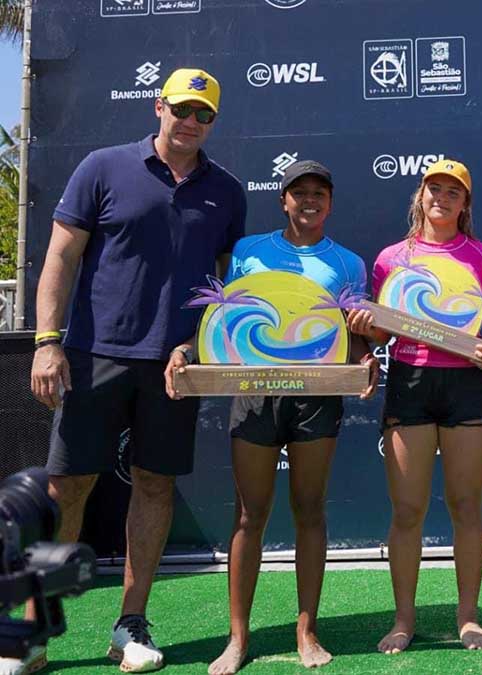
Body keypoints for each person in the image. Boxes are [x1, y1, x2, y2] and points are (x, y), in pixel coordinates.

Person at [25, 68, 244, 674]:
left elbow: (223, 289)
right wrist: (48, 342)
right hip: (94, 354)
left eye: (204, 114)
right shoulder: (102, 167)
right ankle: (33, 629)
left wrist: (198, 345)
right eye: (182, 109)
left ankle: (130, 622)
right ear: (158, 107)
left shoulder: (225, 190)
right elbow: (61, 258)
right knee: (67, 486)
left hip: (173, 366)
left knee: (154, 484)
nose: (191, 122)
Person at [200, 161, 379, 674]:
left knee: (310, 511)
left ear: (330, 202)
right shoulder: (249, 252)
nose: (309, 200)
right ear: (283, 200)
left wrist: (365, 353)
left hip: (317, 398)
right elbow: (225, 320)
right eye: (299, 192)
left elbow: (356, 335)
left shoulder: (347, 263)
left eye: (319, 193)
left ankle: (307, 631)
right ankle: (237, 639)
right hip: (253, 393)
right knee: (248, 516)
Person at [346, 159, 482, 653]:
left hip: (465, 387)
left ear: (466, 203)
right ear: (420, 195)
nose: (442, 197)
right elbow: (380, 327)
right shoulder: (391, 257)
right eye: (434, 188)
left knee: (465, 506)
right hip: (410, 383)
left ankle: (468, 617)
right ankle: (403, 620)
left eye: (453, 191)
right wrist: (363, 327)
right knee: (409, 510)